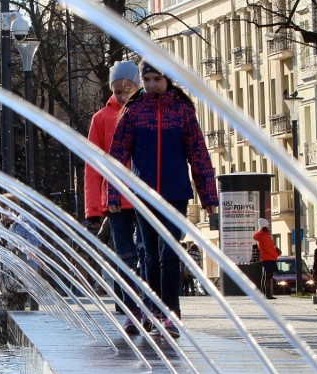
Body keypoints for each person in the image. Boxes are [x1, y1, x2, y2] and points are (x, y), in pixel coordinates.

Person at [108, 60, 219, 338]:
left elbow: (199, 155)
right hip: (143, 195)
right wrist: (113, 193)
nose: (152, 85)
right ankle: (152, 308)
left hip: (175, 194)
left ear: (167, 79)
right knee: (148, 254)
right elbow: (117, 155)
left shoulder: (182, 112)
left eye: (157, 79)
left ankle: (171, 312)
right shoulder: (133, 112)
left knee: (169, 254)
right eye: (147, 80)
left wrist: (209, 197)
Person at [84, 60, 142, 333]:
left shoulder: (145, 113)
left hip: (143, 198)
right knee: (124, 255)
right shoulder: (101, 119)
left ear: (137, 85)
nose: (122, 95)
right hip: (116, 201)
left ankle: (150, 305)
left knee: (147, 252)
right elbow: (92, 167)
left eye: (127, 89)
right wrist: (93, 210)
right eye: (117, 90)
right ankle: (131, 307)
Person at [0, 195, 43, 310]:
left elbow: (35, 243)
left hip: (23, 279)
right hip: (5, 281)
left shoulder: (26, 224)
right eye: (3, 211)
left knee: (22, 311)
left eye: (9, 210)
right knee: (10, 312)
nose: (6, 215)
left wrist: (19, 244)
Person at [253, 217, 279, 300]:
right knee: (268, 276)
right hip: (268, 257)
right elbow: (269, 248)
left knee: (266, 276)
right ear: (265, 226)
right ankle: (268, 294)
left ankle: (266, 293)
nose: (269, 226)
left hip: (266, 257)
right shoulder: (264, 236)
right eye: (268, 225)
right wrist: (276, 253)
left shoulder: (262, 235)